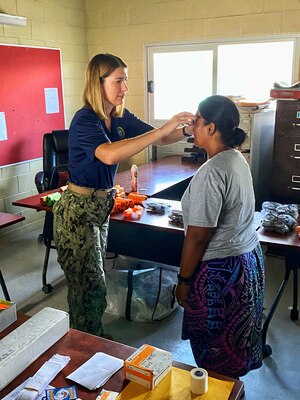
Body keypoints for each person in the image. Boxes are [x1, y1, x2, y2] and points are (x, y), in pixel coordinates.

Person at [53, 53, 195, 336]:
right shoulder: (85, 120)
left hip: (100, 208)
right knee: (88, 284)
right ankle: (85, 339)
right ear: (99, 82)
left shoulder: (118, 117)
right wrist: (165, 128)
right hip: (78, 212)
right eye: (119, 81)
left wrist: (189, 129)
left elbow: (161, 136)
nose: (125, 88)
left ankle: (89, 335)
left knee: (95, 279)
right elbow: (108, 154)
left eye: (125, 81)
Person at [175, 95, 265, 378]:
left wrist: (184, 280)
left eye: (197, 120)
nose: (193, 125)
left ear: (211, 128)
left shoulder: (212, 172)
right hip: (246, 264)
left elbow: (198, 237)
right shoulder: (236, 159)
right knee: (232, 352)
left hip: (220, 275)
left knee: (214, 360)